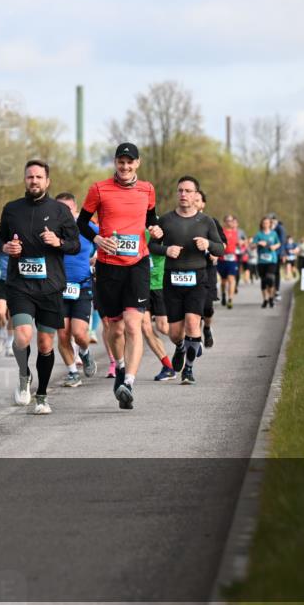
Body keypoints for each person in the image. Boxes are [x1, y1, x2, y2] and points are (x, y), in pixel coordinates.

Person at [76, 142, 161, 410]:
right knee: (115, 328)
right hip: (108, 265)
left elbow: (151, 220)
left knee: (133, 325)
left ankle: (129, 383)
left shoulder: (147, 190)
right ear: (115, 162)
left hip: (137, 264)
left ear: (138, 163)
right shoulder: (98, 189)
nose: (125, 167)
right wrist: (98, 239)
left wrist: (156, 230)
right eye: (120, 162)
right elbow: (81, 223)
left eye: (130, 162)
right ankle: (121, 367)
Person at [0, 159, 80, 415]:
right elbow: (1, 240)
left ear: (47, 181)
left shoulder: (60, 211)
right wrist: (7, 248)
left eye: (38, 177)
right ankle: (24, 376)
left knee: (45, 344)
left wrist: (58, 242)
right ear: (25, 179)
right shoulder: (12, 209)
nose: (34, 181)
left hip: (51, 286)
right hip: (20, 285)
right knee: (22, 337)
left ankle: (42, 396)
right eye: (30, 177)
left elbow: (75, 245)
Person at [148, 177, 224, 385]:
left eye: (188, 191)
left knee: (193, 323)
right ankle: (180, 347)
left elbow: (221, 248)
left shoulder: (206, 221)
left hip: (197, 279)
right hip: (171, 280)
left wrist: (208, 243)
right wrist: (166, 250)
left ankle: (188, 370)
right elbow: (151, 246)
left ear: (195, 195)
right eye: (180, 190)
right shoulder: (166, 220)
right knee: (174, 333)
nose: (183, 194)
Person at [54, 192, 98, 387]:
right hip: (58, 288)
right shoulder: (50, 231)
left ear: (76, 210)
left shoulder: (87, 227)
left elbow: (105, 243)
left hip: (82, 285)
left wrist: (98, 258)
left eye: (67, 210)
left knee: (79, 333)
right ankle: (72, 372)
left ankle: (85, 353)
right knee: (63, 334)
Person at [143, 230, 176, 381]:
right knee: (145, 327)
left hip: (159, 284)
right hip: (140, 285)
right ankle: (168, 366)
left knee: (163, 327)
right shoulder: (129, 225)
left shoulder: (160, 228)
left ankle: (187, 342)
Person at [193, 189, 224, 348]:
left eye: (198, 200)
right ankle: (194, 340)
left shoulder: (211, 221)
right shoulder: (181, 221)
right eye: (193, 199)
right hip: (190, 269)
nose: (194, 202)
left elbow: (222, 244)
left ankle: (207, 328)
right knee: (193, 308)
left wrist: (216, 254)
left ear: (203, 204)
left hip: (208, 268)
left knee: (207, 308)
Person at [252, 217, 281, 308]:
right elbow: (252, 246)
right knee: (263, 281)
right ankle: (265, 299)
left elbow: (279, 243)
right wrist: (258, 243)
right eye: (264, 223)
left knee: (270, 278)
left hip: (272, 260)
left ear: (270, 224)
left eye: (267, 223)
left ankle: (271, 297)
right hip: (261, 261)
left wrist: (274, 247)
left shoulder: (274, 234)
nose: (265, 224)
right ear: (262, 224)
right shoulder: (259, 234)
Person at [217, 215, 241, 310]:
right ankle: (223, 294)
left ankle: (230, 299)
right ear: (224, 222)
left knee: (231, 279)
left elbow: (239, 243)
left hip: (232, 259)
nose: (229, 222)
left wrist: (241, 243)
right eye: (227, 220)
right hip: (222, 259)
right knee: (223, 281)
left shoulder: (236, 232)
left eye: (231, 221)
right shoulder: (220, 232)